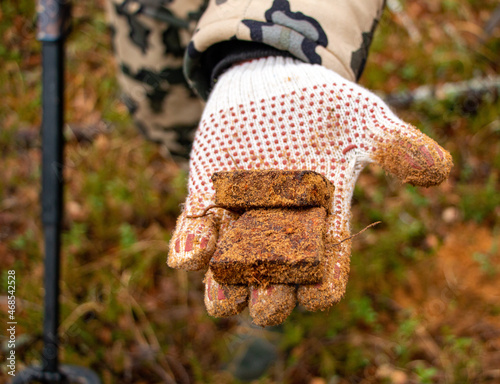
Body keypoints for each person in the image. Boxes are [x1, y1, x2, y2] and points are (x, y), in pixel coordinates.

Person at [105, 0, 452, 327]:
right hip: (151, 22)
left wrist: (267, 50)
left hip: (282, 20)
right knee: (181, 131)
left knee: (298, 263)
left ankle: (282, 304)